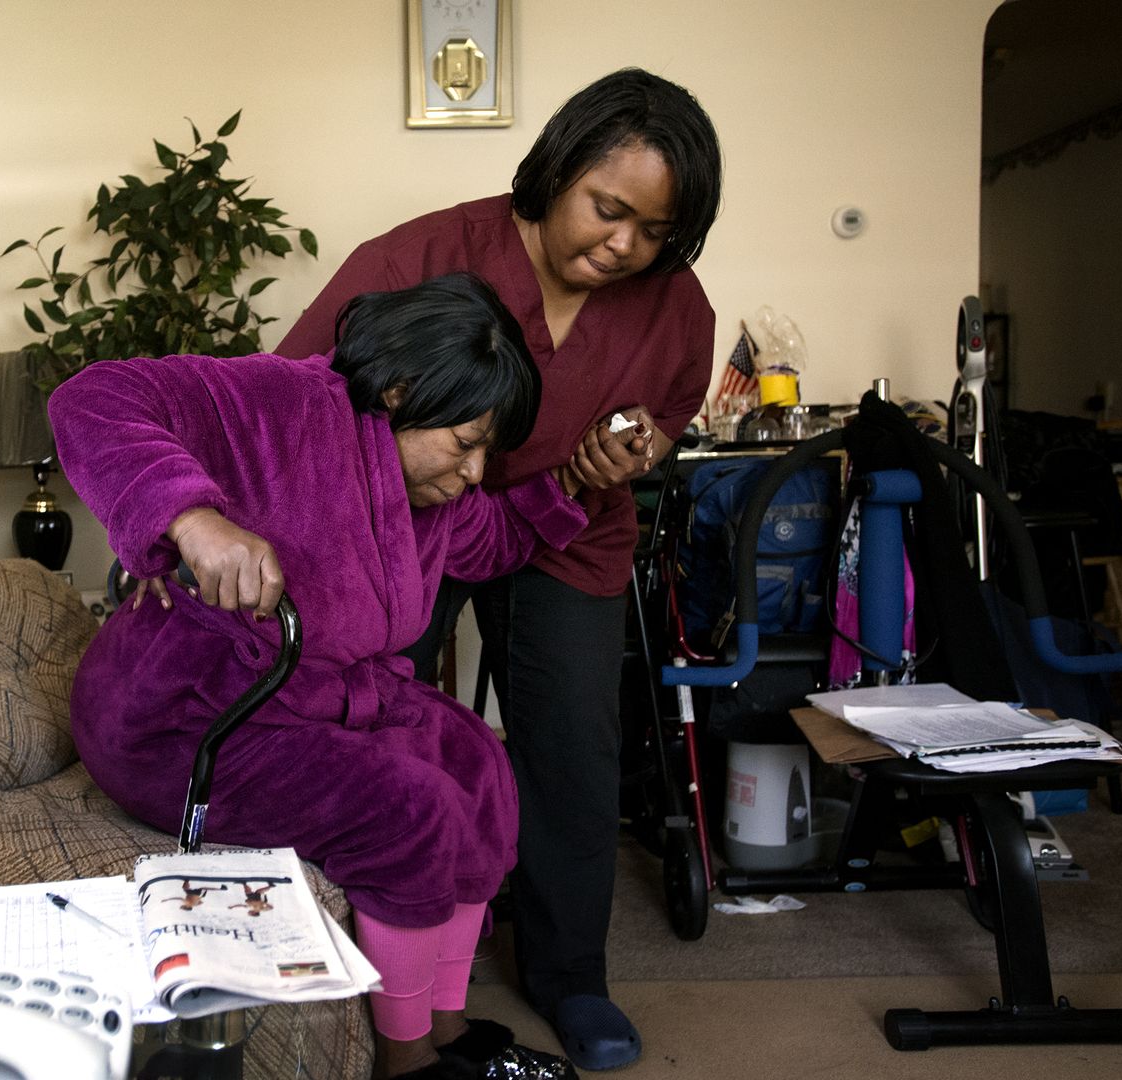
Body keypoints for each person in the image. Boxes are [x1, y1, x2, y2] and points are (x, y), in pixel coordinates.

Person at [275, 67, 724, 1070]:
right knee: (363, 717)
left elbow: (670, 413)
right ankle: (353, 961)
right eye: (608, 211)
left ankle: (571, 976)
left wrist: (636, 452)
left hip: (569, 530)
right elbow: (297, 394)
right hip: (417, 525)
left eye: (654, 231)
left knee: (569, 739)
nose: (623, 246)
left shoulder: (675, 308)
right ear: (559, 169)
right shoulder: (420, 255)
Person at [51, 273, 602, 1080]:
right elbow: (91, 398)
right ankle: (406, 1060)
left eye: (489, 449)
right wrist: (194, 520)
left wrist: (575, 487)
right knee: (404, 809)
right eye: (465, 442)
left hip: (319, 699)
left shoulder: (433, 491)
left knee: (477, 762)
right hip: (187, 717)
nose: (477, 470)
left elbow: (491, 540)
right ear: (401, 391)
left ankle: (445, 1028)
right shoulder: (278, 402)